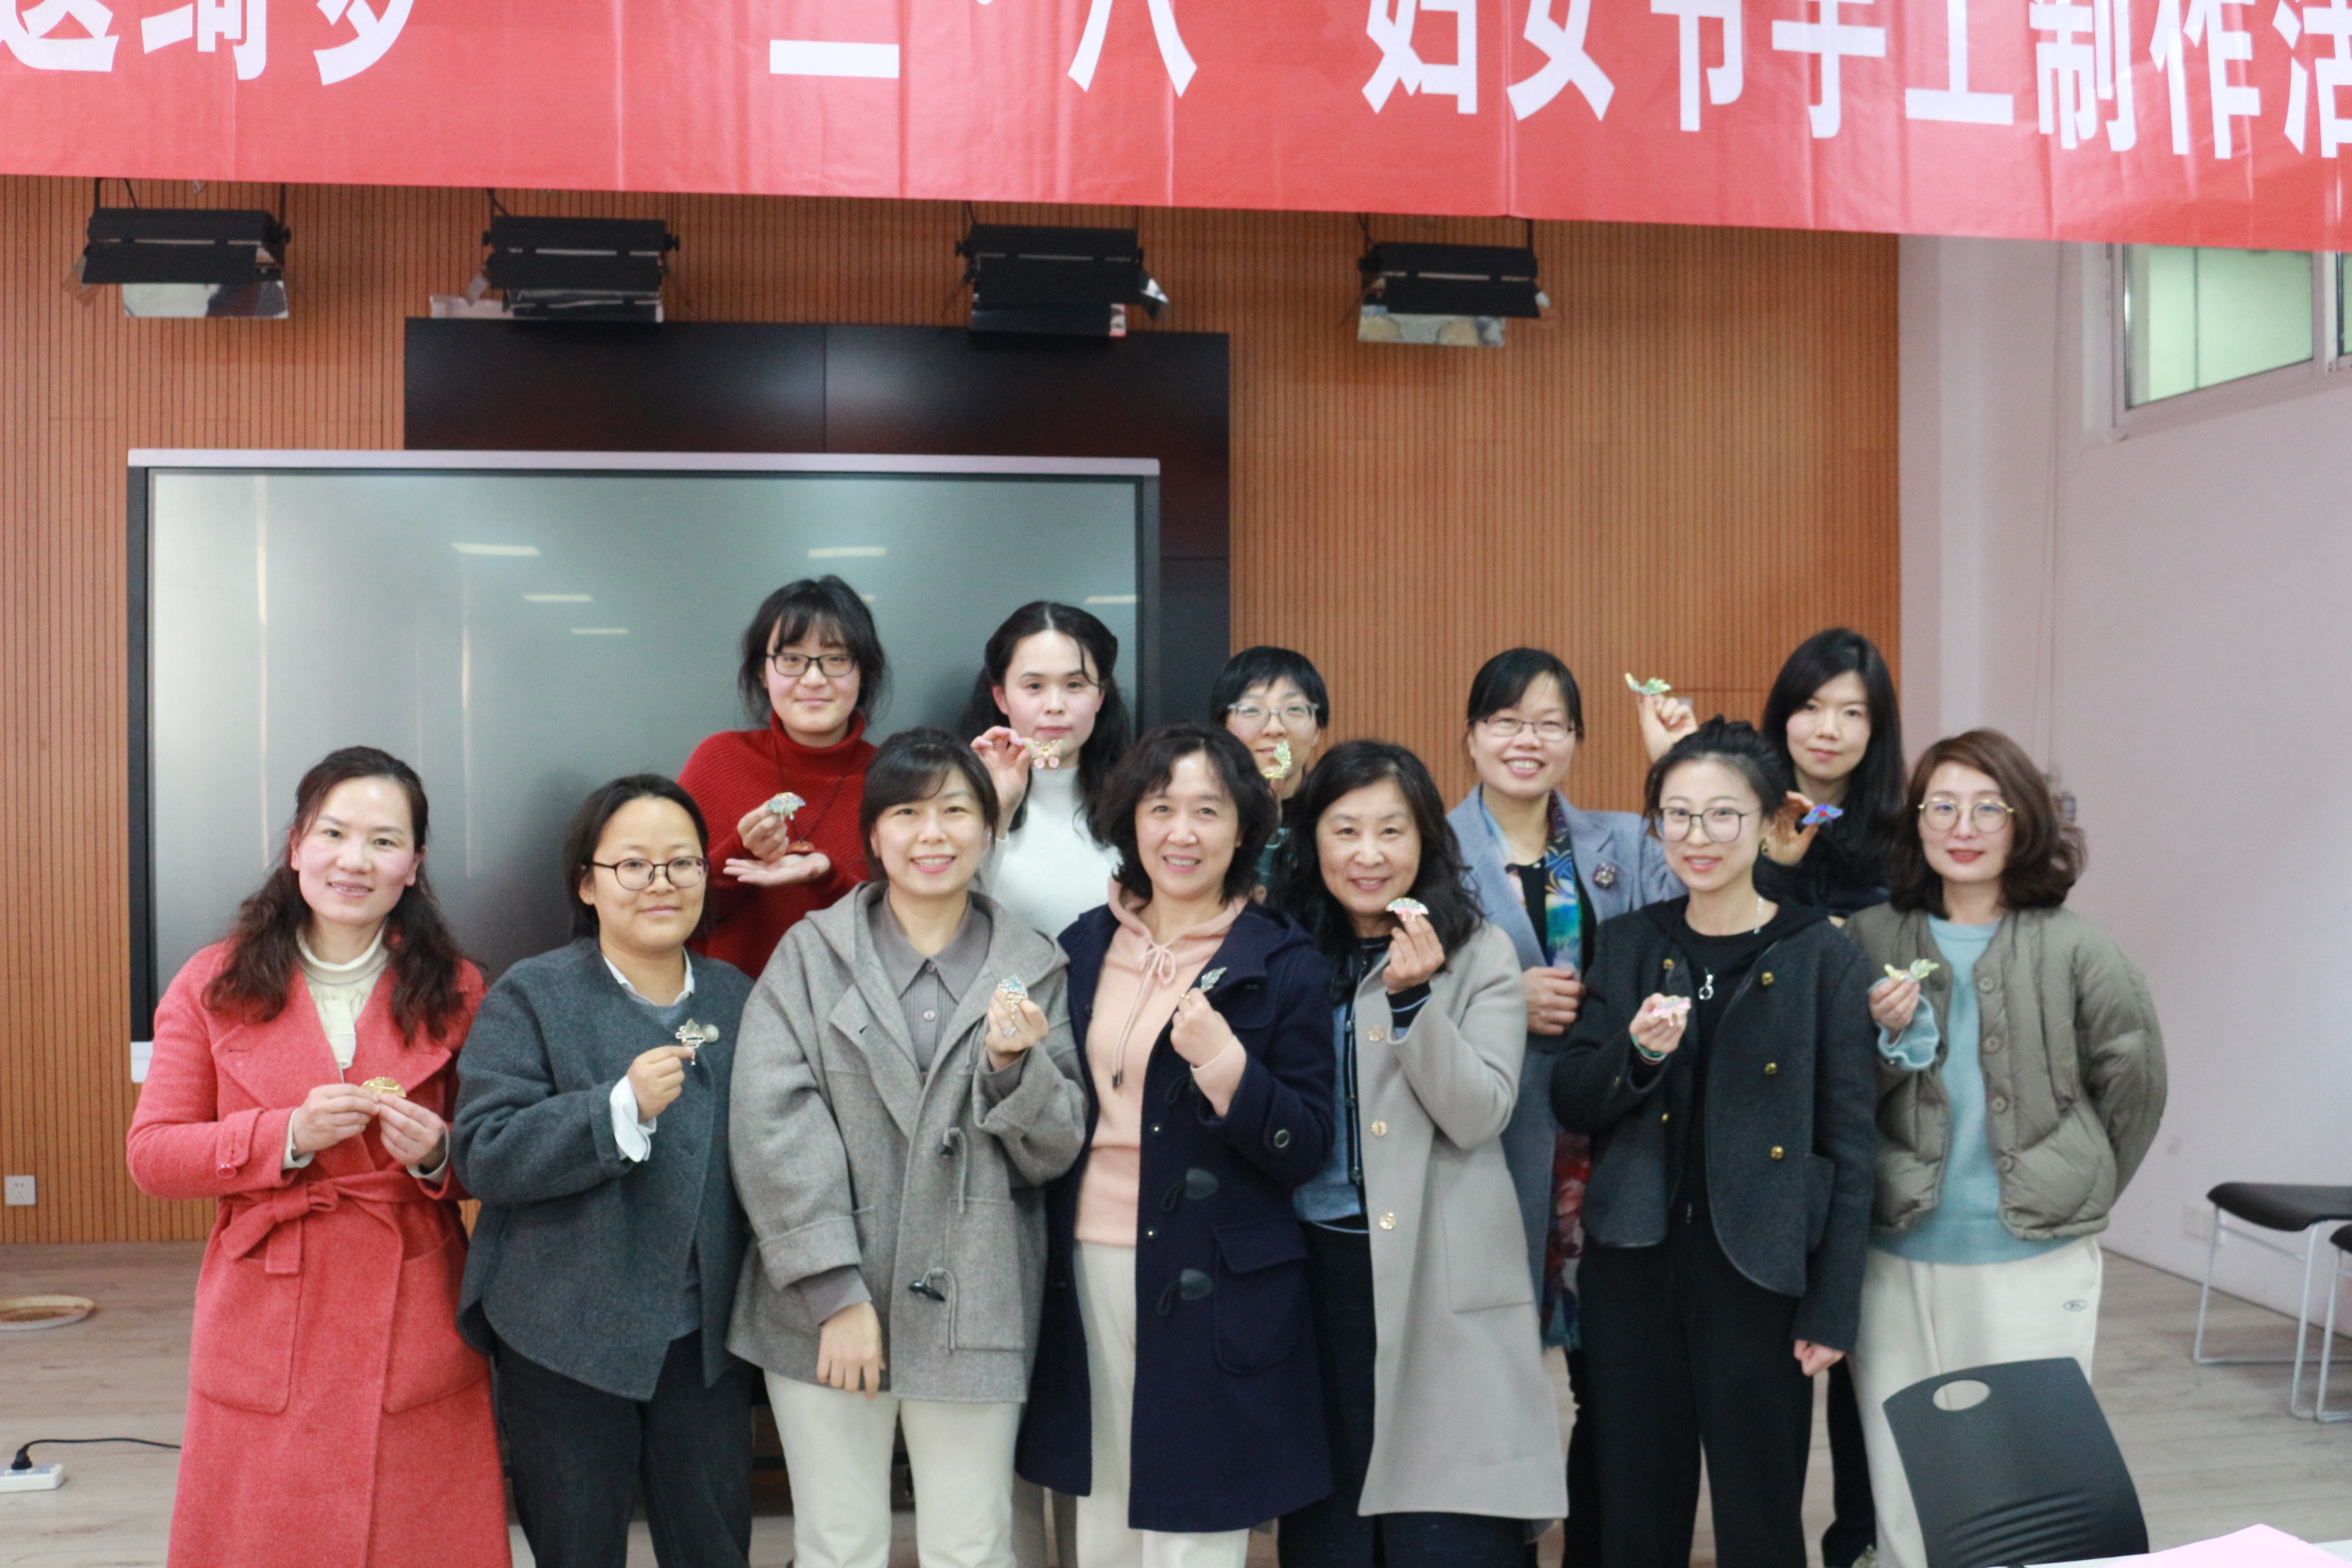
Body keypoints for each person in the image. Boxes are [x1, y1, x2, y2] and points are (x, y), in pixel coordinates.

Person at [125, 747, 507, 1568]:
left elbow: (497, 1155)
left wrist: (439, 1155)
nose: (353, 860)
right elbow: (153, 1155)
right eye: (333, 833)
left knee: (419, 1534)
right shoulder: (211, 982)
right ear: (296, 844)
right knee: (269, 1535)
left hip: (412, 1295)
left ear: (414, 864)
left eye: (383, 841)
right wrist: (285, 1136)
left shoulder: (459, 988)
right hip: (267, 1298)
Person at [728, 729, 1090, 1568]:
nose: (933, 834)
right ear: (873, 833)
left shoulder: (1034, 963)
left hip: (976, 1300)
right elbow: (771, 1123)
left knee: (973, 1544)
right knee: (837, 1542)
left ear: (989, 828)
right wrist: (834, 1292)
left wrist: (1015, 1069)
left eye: (956, 811)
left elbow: (1056, 1147)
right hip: (821, 1307)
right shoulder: (811, 954)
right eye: (907, 813)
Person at [1550, 719, 1877, 1568]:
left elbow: (1850, 1146)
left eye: (1723, 814)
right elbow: (1572, 1095)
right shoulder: (1631, 942)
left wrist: (1833, 1305)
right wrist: (1637, 1055)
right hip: (1634, 1262)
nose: (1698, 837)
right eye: (1677, 815)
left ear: (1770, 823)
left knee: (1761, 1513)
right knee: (1636, 1512)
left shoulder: (1822, 955)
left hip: (1760, 1269)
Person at [1017, 723, 1338, 1568]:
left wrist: (1227, 1064)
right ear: (1130, 820)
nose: (1182, 833)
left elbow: (1305, 1144)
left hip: (1218, 1272)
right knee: (1106, 1504)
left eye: (1208, 810)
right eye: (1161, 808)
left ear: (1244, 828)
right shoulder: (1084, 945)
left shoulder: (1285, 959)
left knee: (1197, 1514)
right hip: (1087, 1253)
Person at [1846, 730, 2165, 1568]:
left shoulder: (2079, 946)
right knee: (1905, 1474)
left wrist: (2073, 1181)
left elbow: (2133, 1088)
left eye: (1988, 807)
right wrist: (1880, 1041)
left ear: (2022, 821)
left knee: (2032, 1477)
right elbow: (1832, 1097)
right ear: (1916, 820)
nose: (1964, 826)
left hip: (2034, 1258)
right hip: (1894, 1252)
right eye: (1943, 806)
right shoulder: (1868, 938)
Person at [1643, 628, 1906, 1568]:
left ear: (1878, 728)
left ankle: (1862, 1538)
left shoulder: (1897, 837)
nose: (1828, 728)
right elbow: (1734, 927)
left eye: (1852, 711)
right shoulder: (1743, 821)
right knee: (1751, 1393)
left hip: (1871, 1097)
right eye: (1809, 705)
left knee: (1852, 1362)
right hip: (1751, 1133)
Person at [1269, 740, 1565, 1568]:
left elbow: (1480, 1114)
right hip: (1314, 1272)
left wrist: (1412, 1005)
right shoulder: (1281, 952)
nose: (1369, 854)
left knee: (1450, 1531)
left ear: (1426, 839)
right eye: (1345, 830)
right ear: (1312, 840)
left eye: (1391, 830)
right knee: (1331, 1534)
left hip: (1440, 1271)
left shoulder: (1480, 952)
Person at [452, 776, 757, 1568]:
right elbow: (483, 1150)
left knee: (714, 1546)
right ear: (587, 884)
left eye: (682, 863)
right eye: (633, 865)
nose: (661, 883)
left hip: (703, 1336)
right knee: (578, 1548)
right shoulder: (532, 993)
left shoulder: (737, 997)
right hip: (563, 1330)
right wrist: (615, 1109)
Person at [1446, 648, 1677, 1566]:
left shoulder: (1623, 843)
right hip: (1487, 1152)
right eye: (1506, 720)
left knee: (1616, 1390)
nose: (1527, 740)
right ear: (1471, 735)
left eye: (1550, 723)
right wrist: (1504, 995)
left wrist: (1672, 766)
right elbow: (1387, 984)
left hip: (1612, 1154)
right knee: (1491, 1387)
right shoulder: (1430, 848)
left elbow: (1699, 915)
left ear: (1578, 739)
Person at [681, 573, 887, 975]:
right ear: (762, 672)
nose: (813, 679)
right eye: (791, 659)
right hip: (726, 1007)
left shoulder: (894, 779)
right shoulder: (717, 760)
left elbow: (906, 932)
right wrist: (740, 851)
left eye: (836, 659)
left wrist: (828, 878)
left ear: (863, 671)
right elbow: (671, 908)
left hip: (852, 1010)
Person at [964, 601, 1133, 942]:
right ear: (1001, 697)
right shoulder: (956, 795)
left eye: (1075, 685)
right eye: (1034, 687)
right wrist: (997, 813)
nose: (1055, 706)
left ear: (1100, 696)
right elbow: (950, 922)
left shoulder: (1140, 798)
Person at [1210, 645, 1331, 884]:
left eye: (1294, 709)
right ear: (1222, 726)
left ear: (1317, 729)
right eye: (1252, 710)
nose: (1274, 728)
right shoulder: (1205, 810)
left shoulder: (1333, 812)